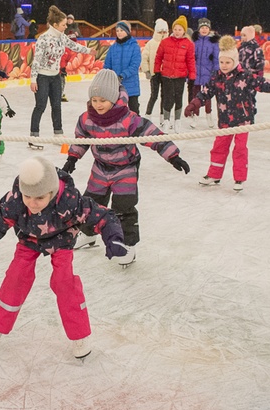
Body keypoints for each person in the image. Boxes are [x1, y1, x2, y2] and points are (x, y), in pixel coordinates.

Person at [0, 155, 127, 360]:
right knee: (16, 277)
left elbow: (103, 216)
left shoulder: (70, 200)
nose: (32, 203)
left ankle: (79, 335)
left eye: (39, 198)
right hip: (29, 239)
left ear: (52, 193)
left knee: (64, 282)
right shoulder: (15, 201)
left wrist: (113, 238)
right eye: (28, 197)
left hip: (62, 240)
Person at [62, 69, 190, 266]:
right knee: (91, 203)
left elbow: (153, 135)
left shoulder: (128, 119)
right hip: (100, 166)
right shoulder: (87, 118)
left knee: (123, 207)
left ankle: (128, 245)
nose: (98, 104)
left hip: (125, 168)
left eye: (103, 100)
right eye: (94, 100)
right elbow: (80, 139)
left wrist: (173, 156)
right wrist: (72, 159)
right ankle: (88, 234)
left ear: (114, 99)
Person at [185, 36, 270, 191]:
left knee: (240, 149)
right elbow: (205, 92)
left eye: (228, 62)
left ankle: (239, 178)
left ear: (235, 61)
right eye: (222, 62)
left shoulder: (245, 76)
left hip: (243, 119)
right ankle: (214, 174)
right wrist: (194, 104)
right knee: (219, 147)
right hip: (225, 120)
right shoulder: (216, 77)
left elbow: (262, 83)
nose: (224, 65)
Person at [29, 5, 90, 149]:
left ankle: (57, 134)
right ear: (55, 25)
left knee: (57, 106)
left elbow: (74, 46)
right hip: (42, 77)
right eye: (63, 24)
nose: (65, 26)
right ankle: (33, 136)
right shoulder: (43, 39)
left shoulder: (62, 37)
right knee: (40, 106)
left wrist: (89, 51)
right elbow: (36, 60)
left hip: (55, 76)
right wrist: (33, 80)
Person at [152, 16, 196, 132]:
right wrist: (156, 71)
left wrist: (192, 75)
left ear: (184, 31)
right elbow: (158, 57)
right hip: (166, 75)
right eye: (175, 29)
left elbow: (190, 60)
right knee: (167, 98)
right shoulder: (165, 42)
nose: (177, 32)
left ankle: (177, 120)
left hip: (180, 76)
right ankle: (166, 120)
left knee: (178, 97)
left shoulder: (188, 44)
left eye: (180, 29)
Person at [102, 21, 142, 113]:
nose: (119, 32)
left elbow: (134, 65)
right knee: (116, 110)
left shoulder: (134, 47)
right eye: (117, 30)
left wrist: (122, 75)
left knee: (134, 110)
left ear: (127, 31)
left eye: (121, 30)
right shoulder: (113, 48)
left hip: (131, 84)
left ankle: (135, 127)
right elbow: (107, 65)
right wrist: (106, 76)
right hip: (116, 86)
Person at [191, 18, 219, 126]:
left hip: (208, 73)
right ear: (199, 29)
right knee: (196, 96)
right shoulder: (195, 41)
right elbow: (191, 57)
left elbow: (216, 59)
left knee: (207, 95)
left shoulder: (213, 42)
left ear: (209, 29)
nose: (204, 30)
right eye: (202, 28)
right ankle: (195, 116)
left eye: (206, 28)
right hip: (197, 73)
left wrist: (215, 72)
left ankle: (209, 116)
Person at [140, 18, 168, 116]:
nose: (162, 33)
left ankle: (162, 115)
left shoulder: (169, 43)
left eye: (164, 31)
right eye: (160, 31)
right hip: (154, 73)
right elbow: (144, 58)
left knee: (164, 96)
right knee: (154, 95)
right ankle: (148, 114)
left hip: (166, 74)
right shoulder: (151, 43)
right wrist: (147, 71)